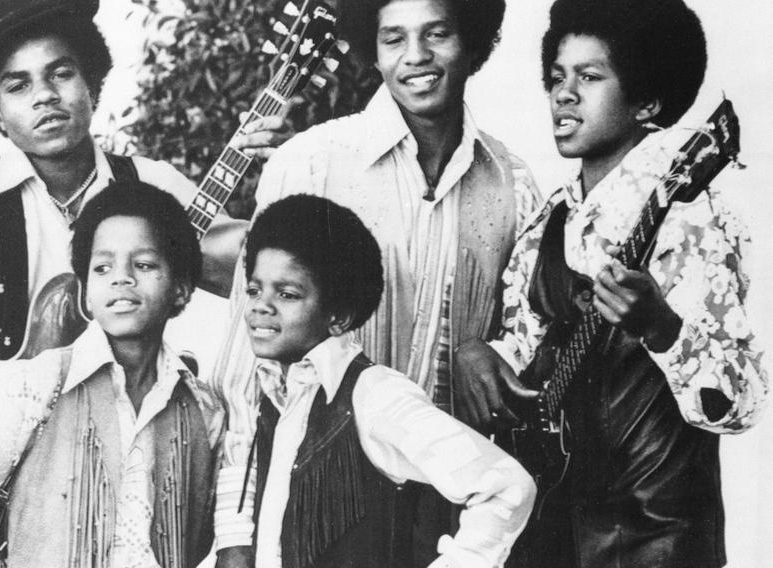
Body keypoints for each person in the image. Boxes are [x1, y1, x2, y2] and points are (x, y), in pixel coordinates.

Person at [211, 0, 541, 563]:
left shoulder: (513, 186)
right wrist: (235, 534)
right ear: (373, 48)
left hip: (448, 518)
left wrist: (485, 349)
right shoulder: (311, 163)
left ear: (473, 40)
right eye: (394, 38)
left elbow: (525, 340)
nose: (416, 57)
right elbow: (248, 373)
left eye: (437, 33)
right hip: (319, 511)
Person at [0, 0, 287, 416]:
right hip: (9, 454)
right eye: (18, 85)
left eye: (61, 73)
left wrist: (285, 172)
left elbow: (258, 274)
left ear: (91, 83)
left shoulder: (152, 184)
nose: (45, 96)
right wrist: (24, 388)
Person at [457, 0, 768, 566]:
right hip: (551, 531)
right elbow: (527, 359)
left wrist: (662, 327)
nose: (563, 93)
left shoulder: (690, 216)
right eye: (557, 77)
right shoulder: (546, 223)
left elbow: (742, 403)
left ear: (648, 101)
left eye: (590, 76)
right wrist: (479, 354)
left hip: (660, 540)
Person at [0, 181, 223, 567]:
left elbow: (208, 533)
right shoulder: (43, 383)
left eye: (143, 264)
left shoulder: (204, 409)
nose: (121, 277)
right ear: (87, 293)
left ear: (181, 289)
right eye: (103, 267)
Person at [230, 194, 534, 568]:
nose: (261, 305)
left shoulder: (375, 394)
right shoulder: (278, 392)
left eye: (288, 294)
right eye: (254, 290)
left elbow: (507, 485)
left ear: (339, 317)